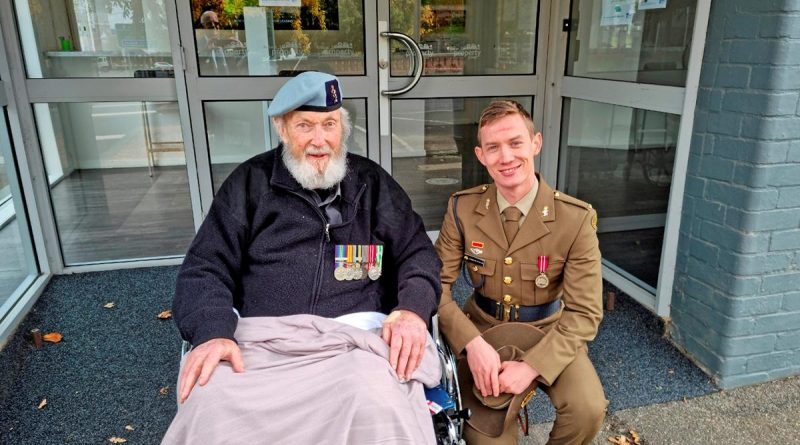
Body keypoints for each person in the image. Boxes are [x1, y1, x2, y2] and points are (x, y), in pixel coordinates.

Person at [164, 71, 442, 444]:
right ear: (282, 128)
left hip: (354, 343)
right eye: (305, 125)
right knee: (211, 404)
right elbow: (205, 267)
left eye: (329, 124)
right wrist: (212, 332)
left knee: (376, 402)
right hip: (261, 343)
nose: (319, 140)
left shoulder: (372, 184)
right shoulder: (249, 183)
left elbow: (417, 252)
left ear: (342, 127)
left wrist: (412, 310)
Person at [435, 100, 607, 445]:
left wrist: (531, 367)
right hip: (482, 325)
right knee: (483, 436)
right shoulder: (462, 208)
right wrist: (471, 344)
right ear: (480, 155)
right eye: (493, 148)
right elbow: (434, 286)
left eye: (516, 143)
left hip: (548, 329)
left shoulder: (574, 219)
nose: (506, 157)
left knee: (588, 409)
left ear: (536, 144)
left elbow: (585, 313)